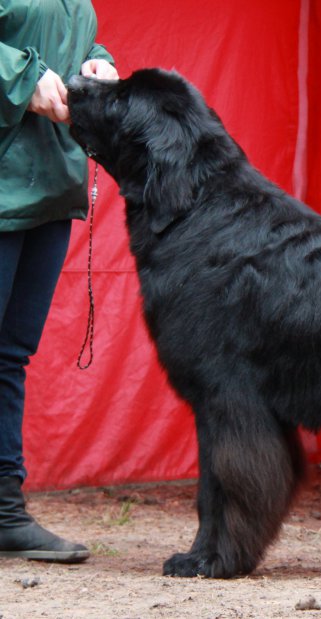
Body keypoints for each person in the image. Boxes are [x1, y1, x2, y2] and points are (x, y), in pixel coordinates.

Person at [0, 1, 118, 563]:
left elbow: (64, 46)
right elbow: (25, 60)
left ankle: (4, 513)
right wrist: (22, 76)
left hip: (48, 188)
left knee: (7, 358)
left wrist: (96, 65)